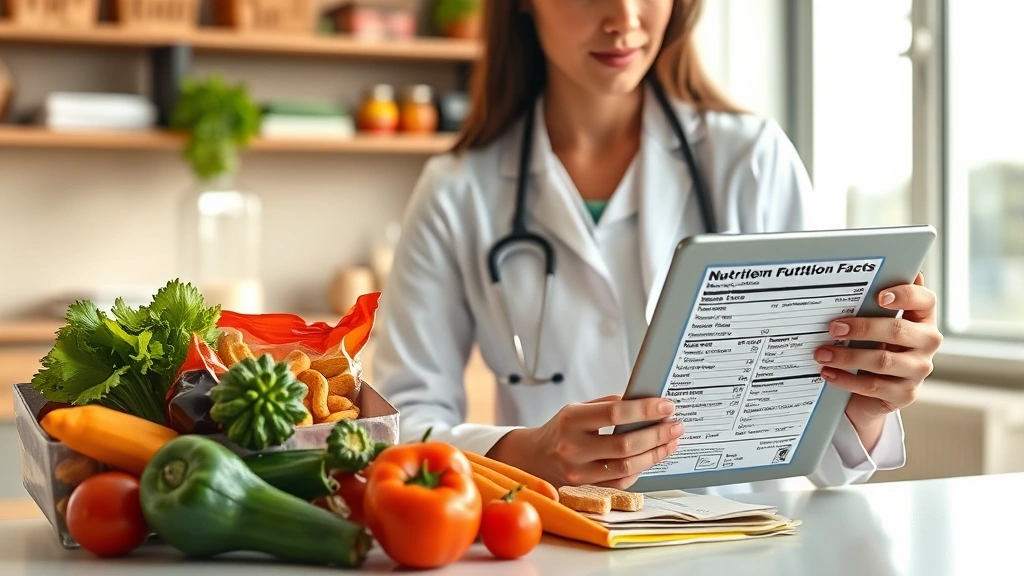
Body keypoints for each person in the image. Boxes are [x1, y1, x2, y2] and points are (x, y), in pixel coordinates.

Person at [372, 0, 943, 495]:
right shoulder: (456, 190)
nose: (624, 19)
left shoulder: (752, 160)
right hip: (559, 548)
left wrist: (865, 402)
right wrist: (525, 455)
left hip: (744, 546)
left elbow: (827, 457)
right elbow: (395, 429)